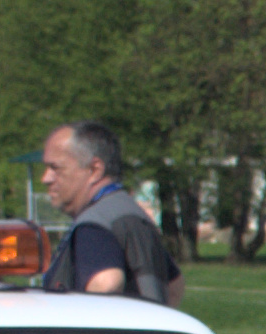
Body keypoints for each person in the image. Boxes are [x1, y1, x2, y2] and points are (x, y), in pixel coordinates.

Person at [37, 125, 175, 302]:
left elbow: (106, 283)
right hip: (148, 329)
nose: (46, 178)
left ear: (94, 170)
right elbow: (175, 286)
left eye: (55, 168)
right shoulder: (132, 213)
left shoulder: (94, 225)